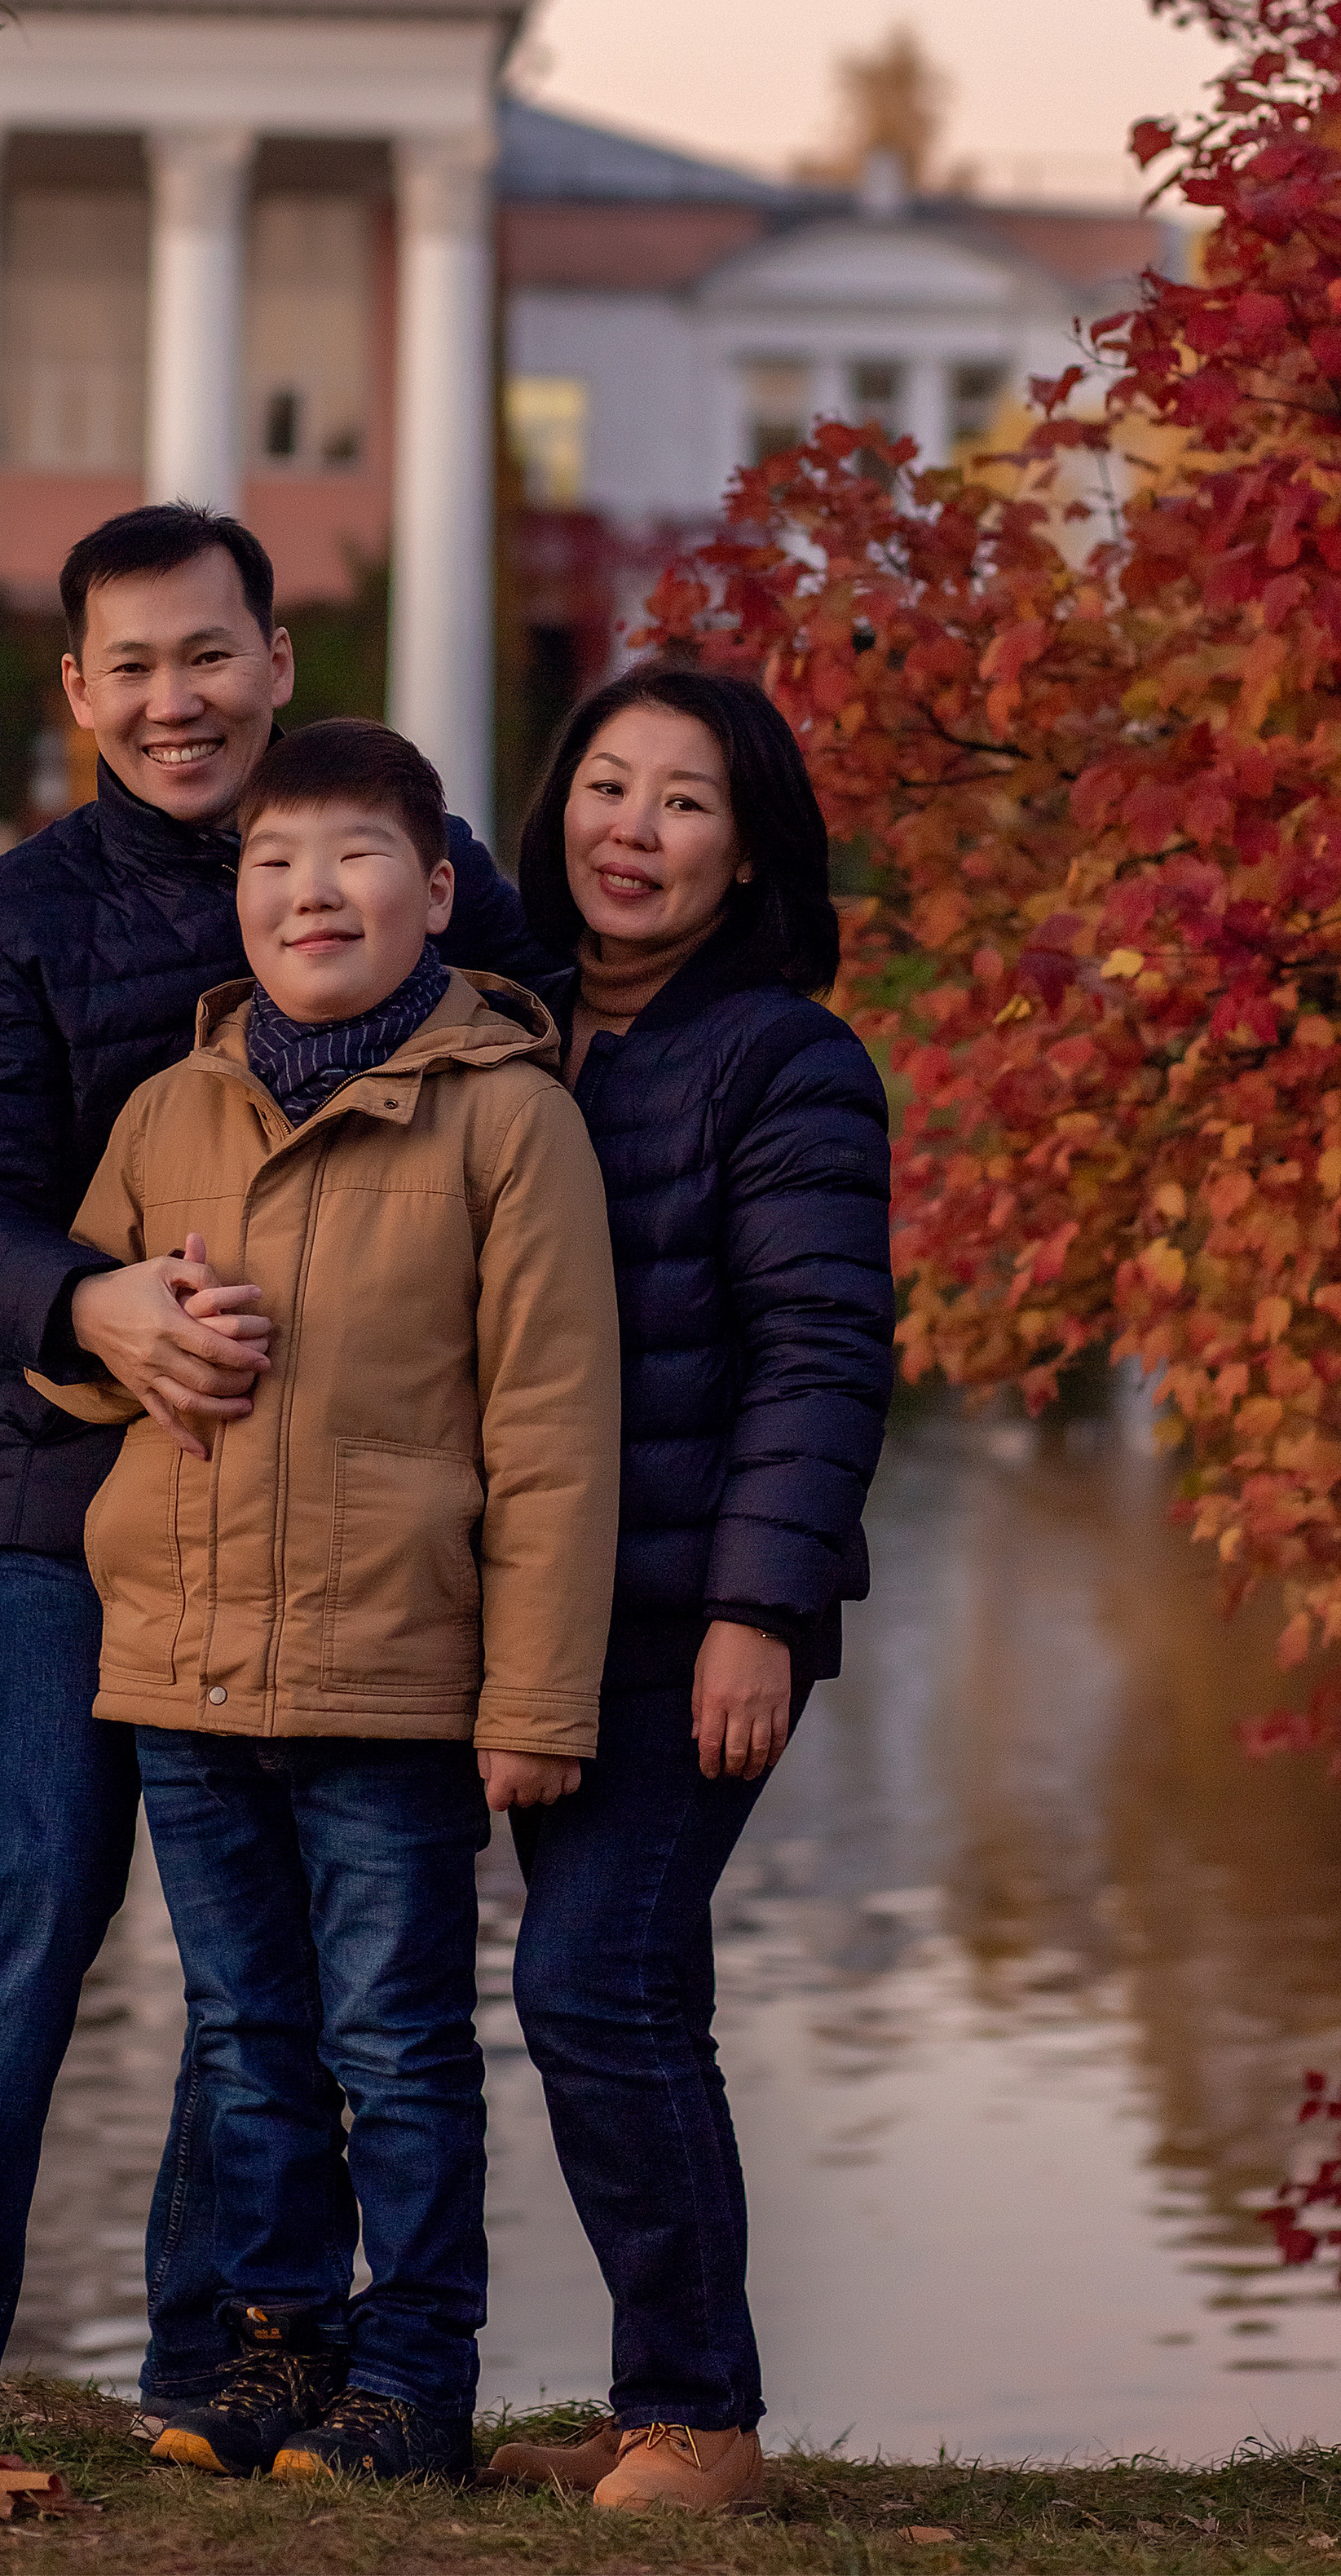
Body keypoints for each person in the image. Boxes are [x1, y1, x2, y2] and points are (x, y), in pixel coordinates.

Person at [0, 513, 544, 2448]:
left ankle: (212, 2353)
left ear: (278, 660)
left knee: (278, 1968)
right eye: (129, 666)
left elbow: (543, 1049)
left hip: (342, 1521)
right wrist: (93, 1303)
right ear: (74, 692)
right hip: (82, 1494)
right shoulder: (6, 920)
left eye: (207, 656)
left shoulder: (415, 863)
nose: (173, 700)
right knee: (38, 1894)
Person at [28, 718, 621, 2487]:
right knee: (244, 2036)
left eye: (355, 858)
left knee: (395, 2041)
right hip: (187, 1673)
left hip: (391, 1680)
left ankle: (413, 2373)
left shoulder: (507, 1121)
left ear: (434, 891)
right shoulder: (169, 1108)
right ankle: (278, 2351)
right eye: (276, 864)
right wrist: (133, 1323)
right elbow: (72, 1366)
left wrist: (531, 1706)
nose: (311, 891)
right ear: (244, 899)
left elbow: (552, 1430)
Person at [483, 664, 895, 2517]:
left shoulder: (783, 1058)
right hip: (514, 1606)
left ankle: (700, 2425)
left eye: (682, 803)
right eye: (604, 786)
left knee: (598, 1984)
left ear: (747, 859)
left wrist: (755, 1612)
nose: (628, 830)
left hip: (690, 1614)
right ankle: (636, 2390)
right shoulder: (505, 1029)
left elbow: (820, 1351)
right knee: (583, 1990)